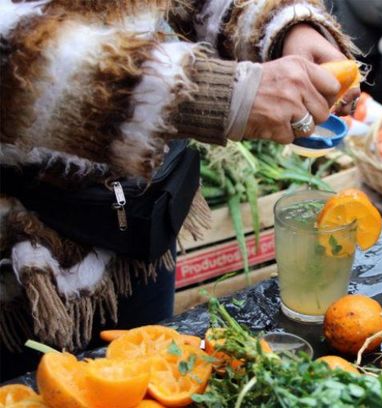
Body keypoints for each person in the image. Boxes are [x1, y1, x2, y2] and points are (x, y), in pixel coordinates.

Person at [0, 0, 360, 380]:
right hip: (20, 267)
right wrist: (206, 94)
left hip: (139, 223)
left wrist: (280, 29)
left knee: (158, 382)